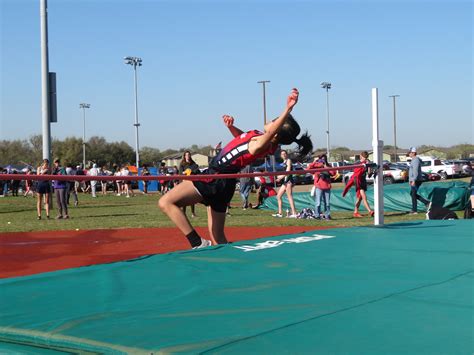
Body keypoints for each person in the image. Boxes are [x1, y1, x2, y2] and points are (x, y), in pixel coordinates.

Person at [158, 88, 312, 249]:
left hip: (215, 178)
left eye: (274, 121)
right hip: (224, 182)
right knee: (218, 238)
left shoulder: (263, 144)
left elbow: (272, 132)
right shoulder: (258, 138)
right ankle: (230, 267)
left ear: (275, 133)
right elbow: (241, 140)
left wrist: (288, 109)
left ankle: (197, 243)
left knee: (166, 202)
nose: (270, 120)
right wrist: (231, 127)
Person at [342, 151, 374, 218]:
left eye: (366, 158)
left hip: (363, 180)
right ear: (361, 156)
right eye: (364, 158)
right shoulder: (357, 163)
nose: (365, 159)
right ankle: (370, 211)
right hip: (357, 180)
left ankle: (355, 212)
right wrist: (364, 164)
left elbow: (369, 175)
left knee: (360, 198)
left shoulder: (367, 162)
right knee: (364, 196)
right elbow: (356, 173)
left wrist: (369, 168)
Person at [308, 154, 334, 220]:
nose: (322, 160)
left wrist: (325, 166)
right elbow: (308, 169)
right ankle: (317, 215)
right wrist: (314, 162)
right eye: (321, 159)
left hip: (327, 187)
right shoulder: (316, 166)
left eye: (324, 159)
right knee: (318, 202)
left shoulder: (328, 166)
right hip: (319, 187)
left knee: (327, 203)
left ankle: (327, 215)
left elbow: (333, 173)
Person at [273, 150, 298, 218]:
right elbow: (285, 172)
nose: (283, 155)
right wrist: (280, 177)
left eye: (284, 154)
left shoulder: (288, 160)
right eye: (282, 154)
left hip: (289, 181)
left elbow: (288, 170)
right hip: (285, 181)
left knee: (289, 196)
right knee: (278, 196)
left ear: (287, 154)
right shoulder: (283, 162)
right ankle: (280, 213)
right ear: (281, 155)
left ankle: (294, 213)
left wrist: (281, 177)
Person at [407, 147, 430, 214]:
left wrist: (413, 180)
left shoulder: (416, 160)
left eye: (410, 152)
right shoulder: (413, 160)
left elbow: (415, 171)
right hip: (414, 180)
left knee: (413, 194)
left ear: (413, 153)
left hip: (416, 180)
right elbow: (411, 171)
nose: (409, 154)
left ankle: (414, 210)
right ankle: (426, 203)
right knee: (412, 194)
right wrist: (410, 180)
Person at [179, 151, 199, 217]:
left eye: (188, 155)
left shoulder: (193, 164)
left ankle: (193, 213)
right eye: (186, 155)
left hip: (191, 182)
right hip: (184, 182)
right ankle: (184, 213)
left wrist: (191, 171)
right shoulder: (182, 164)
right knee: (184, 198)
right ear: (184, 156)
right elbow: (180, 173)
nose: (187, 156)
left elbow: (196, 170)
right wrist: (184, 172)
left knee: (192, 198)